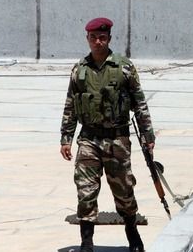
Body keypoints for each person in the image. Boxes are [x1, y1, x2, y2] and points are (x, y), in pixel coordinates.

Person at [60, 17, 155, 252]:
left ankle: (132, 233)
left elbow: (139, 103)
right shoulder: (79, 69)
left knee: (123, 190)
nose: (98, 42)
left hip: (117, 139)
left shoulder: (124, 67)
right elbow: (71, 104)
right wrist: (66, 138)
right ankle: (86, 242)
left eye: (102, 38)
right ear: (88, 39)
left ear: (109, 39)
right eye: (93, 38)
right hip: (89, 139)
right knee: (86, 190)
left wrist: (148, 136)